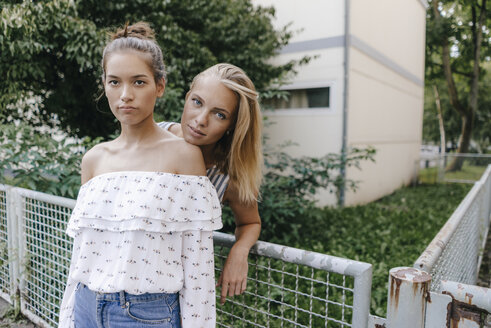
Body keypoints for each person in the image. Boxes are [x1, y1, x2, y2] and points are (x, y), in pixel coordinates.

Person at [59, 22, 222, 328]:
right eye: (114, 82)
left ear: (159, 86)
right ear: (104, 85)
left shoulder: (184, 156)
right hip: (85, 306)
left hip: (147, 315)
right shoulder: (93, 160)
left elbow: (198, 263)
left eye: (138, 82)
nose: (125, 95)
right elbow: (81, 256)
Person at [158, 63, 263, 305]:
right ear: (186, 98)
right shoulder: (153, 136)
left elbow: (250, 222)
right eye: (197, 102)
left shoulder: (229, 176)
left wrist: (239, 251)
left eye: (219, 114)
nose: (201, 120)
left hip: (183, 293)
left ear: (232, 126)